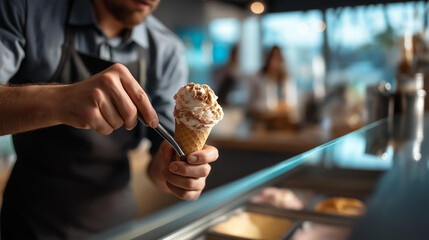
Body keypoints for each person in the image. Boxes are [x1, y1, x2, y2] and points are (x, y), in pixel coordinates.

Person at [0, 0, 218, 239]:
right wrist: (59, 100)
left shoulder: (166, 48)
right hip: (29, 223)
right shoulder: (26, 9)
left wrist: (176, 172)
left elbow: (160, 163)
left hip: (117, 227)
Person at [248, 45, 294, 113]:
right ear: (268, 59)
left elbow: (291, 103)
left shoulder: (285, 79)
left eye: (278, 58)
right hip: (263, 117)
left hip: (280, 118)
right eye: (273, 57)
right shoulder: (258, 78)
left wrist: (277, 106)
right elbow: (252, 103)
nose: (275, 62)